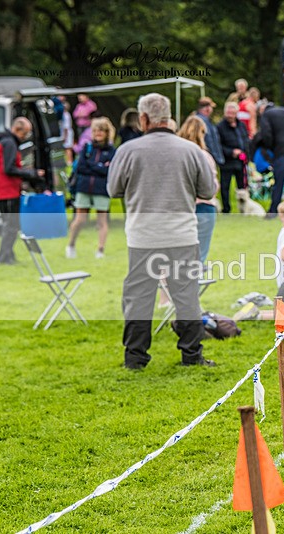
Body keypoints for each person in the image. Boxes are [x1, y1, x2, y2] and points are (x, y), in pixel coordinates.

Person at [107, 93, 217, 370]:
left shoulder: (128, 150)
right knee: (186, 295)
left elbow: (113, 190)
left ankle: (135, 358)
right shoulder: (191, 150)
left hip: (143, 236)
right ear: (169, 117)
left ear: (143, 119)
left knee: (139, 297)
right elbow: (208, 191)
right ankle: (192, 355)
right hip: (182, 234)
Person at [0, 117, 46, 264]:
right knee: (11, 226)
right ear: (17, 129)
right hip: (7, 190)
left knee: (9, 225)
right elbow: (9, 169)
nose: (25, 137)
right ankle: (4, 258)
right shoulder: (9, 143)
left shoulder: (4, 141)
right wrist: (31, 173)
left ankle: (8, 255)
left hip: (1, 189)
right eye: (25, 133)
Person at [66, 117, 116, 259]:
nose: (98, 133)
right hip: (84, 187)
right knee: (80, 219)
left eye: (101, 130)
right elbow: (81, 168)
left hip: (101, 189)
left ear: (107, 132)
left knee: (102, 221)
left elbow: (109, 171)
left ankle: (100, 250)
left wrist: (93, 167)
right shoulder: (87, 148)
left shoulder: (112, 151)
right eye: (95, 130)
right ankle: (71, 244)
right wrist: (99, 167)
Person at [177, 115, 220, 264]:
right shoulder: (204, 156)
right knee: (198, 258)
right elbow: (212, 187)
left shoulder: (177, 155)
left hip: (181, 209)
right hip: (204, 207)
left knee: (179, 258)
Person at [252, 100, 284, 217]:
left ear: (261, 109)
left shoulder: (266, 115)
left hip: (281, 150)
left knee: (279, 181)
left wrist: (270, 148)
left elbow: (266, 134)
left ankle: (273, 210)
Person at [217, 102, 250, 214]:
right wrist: (231, 152)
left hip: (241, 161)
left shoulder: (241, 125)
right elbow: (218, 145)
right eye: (228, 112)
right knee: (225, 186)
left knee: (242, 186)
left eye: (232, 113)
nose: (230, 115)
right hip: (227, 161)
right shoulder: (220, 127)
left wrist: (246, 153)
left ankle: (244, 209)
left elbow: (246, 140)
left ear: (236, 113)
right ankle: (226, 209)